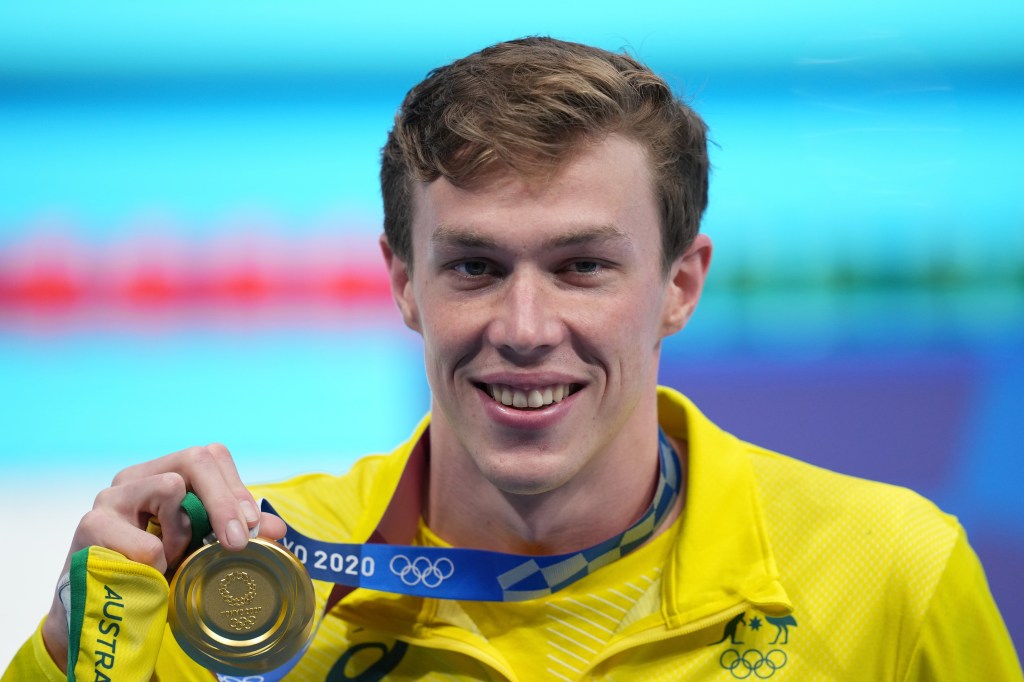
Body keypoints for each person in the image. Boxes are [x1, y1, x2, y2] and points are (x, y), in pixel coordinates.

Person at [5, 36, 1020, 681]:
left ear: (680, 282)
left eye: (581, 266)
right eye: (476, 267)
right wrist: (66, 656)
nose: (525, 325)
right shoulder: (230, 594)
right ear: (405, 282)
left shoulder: (888, 573)